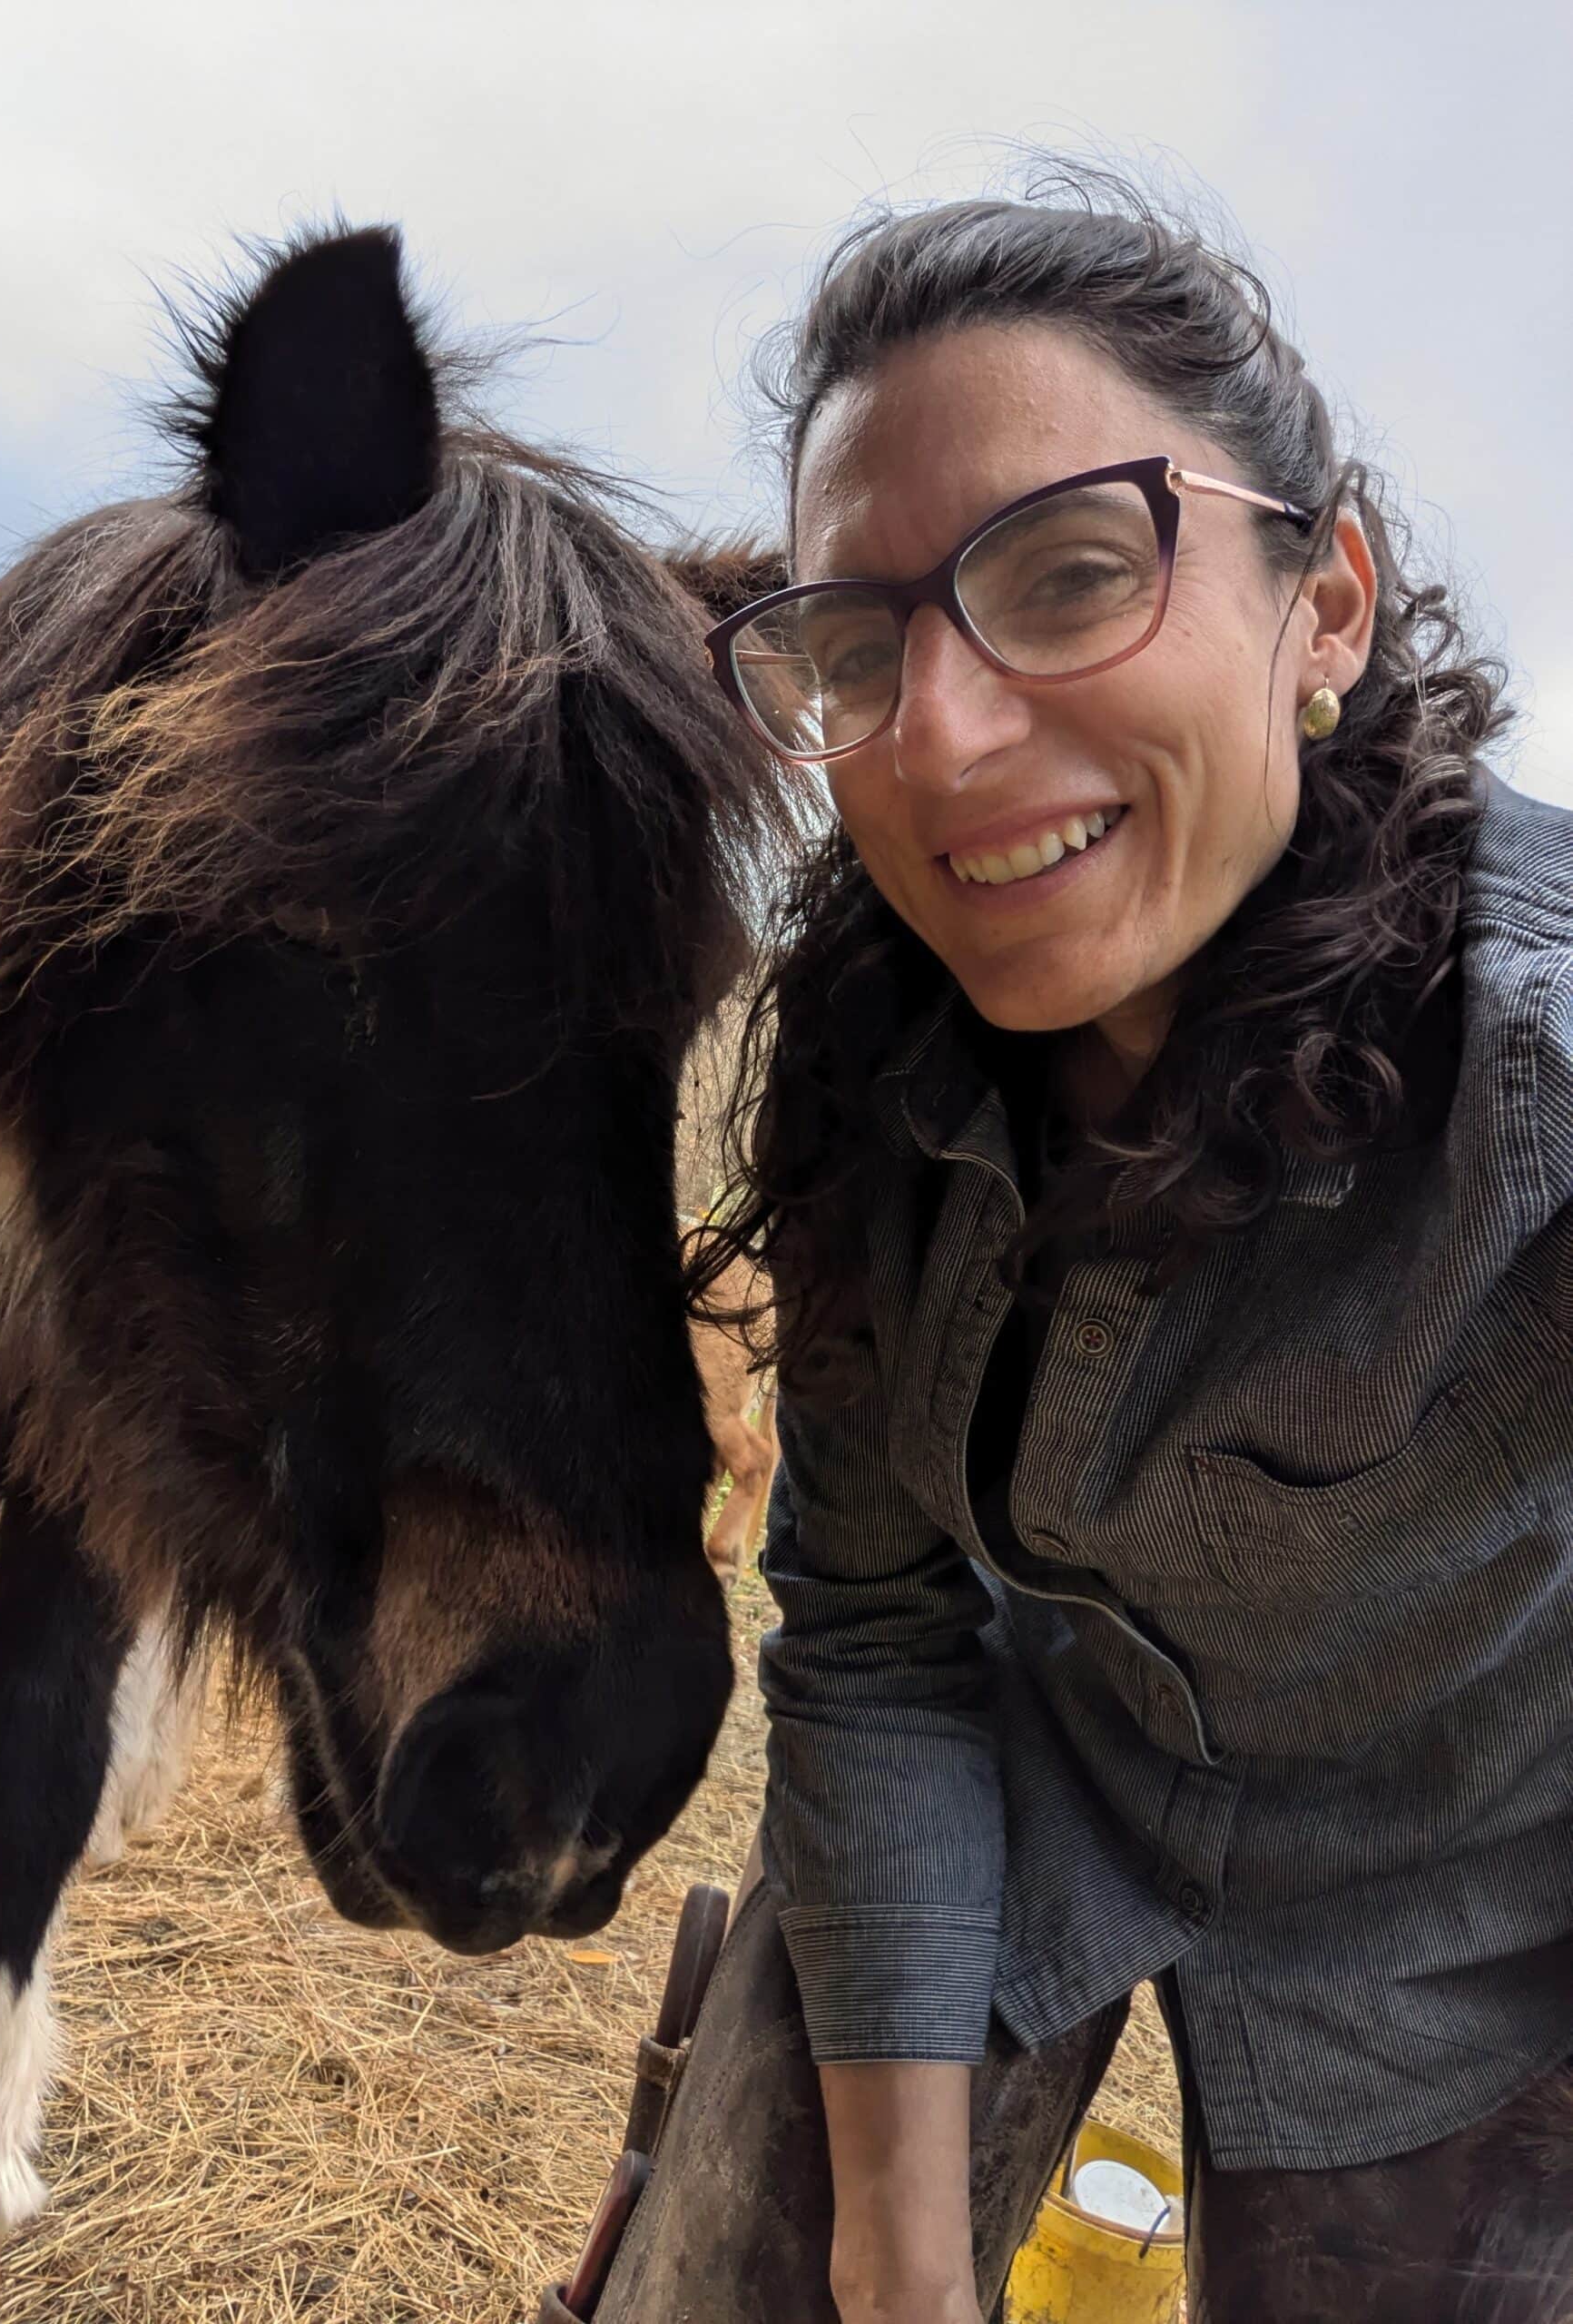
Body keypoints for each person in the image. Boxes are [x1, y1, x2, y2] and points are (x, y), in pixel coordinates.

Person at [545, 172, 1573, 2324]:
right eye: (854, 645)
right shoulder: (870, 1085)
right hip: (1039, 1785)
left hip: (1478, 1900)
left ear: (1326, 606)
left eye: (1073, 571)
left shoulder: (1535, 1098)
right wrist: (902, 2257)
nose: (933, 733)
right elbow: (883, 1629)